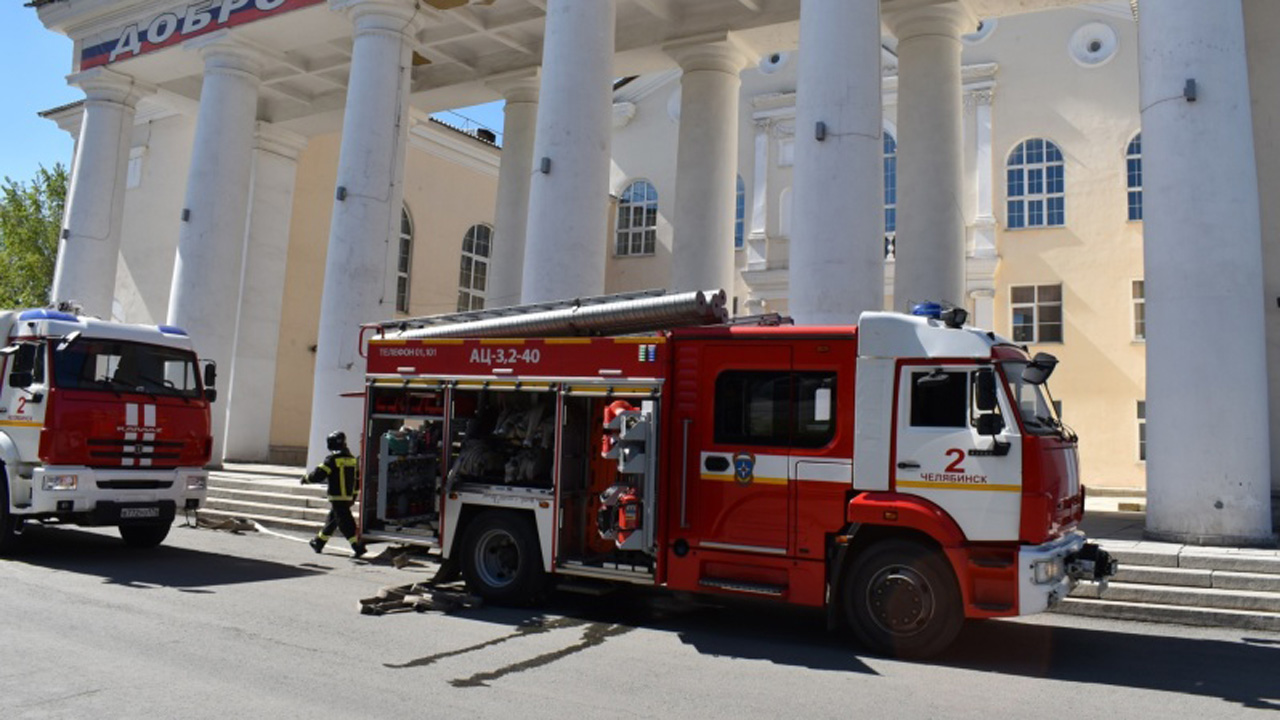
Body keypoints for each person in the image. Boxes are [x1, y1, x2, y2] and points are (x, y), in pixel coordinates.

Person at [302, 431, 367, 558]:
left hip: (337, 497)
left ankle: (357, 547)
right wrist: (353, 496)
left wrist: (305, 479)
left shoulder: (332, 460)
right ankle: (319, 542)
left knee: (345, 522)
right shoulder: (352, 460)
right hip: (347, 496)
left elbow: (318, 475)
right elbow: (357, 480)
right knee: (333, 519)